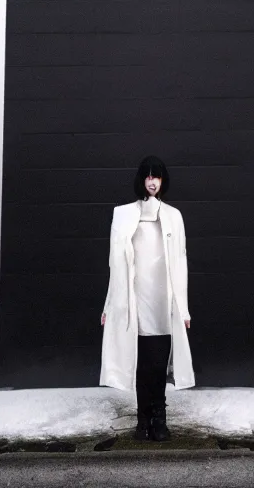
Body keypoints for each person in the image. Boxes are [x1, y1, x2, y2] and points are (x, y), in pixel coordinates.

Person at [100, 155, 195, 441]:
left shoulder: (173, 216)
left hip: (163, 303)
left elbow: (181, 263)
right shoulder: (124, 215)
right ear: (141, 179)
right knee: (141, 365)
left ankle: (160, 419)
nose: (152, 181)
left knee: (157, 365)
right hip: (134, 302)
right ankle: (143, 420)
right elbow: (114, 266)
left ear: (163, 181)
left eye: (157, 176)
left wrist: (184, 309)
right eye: (147, 176)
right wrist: (108, 305)